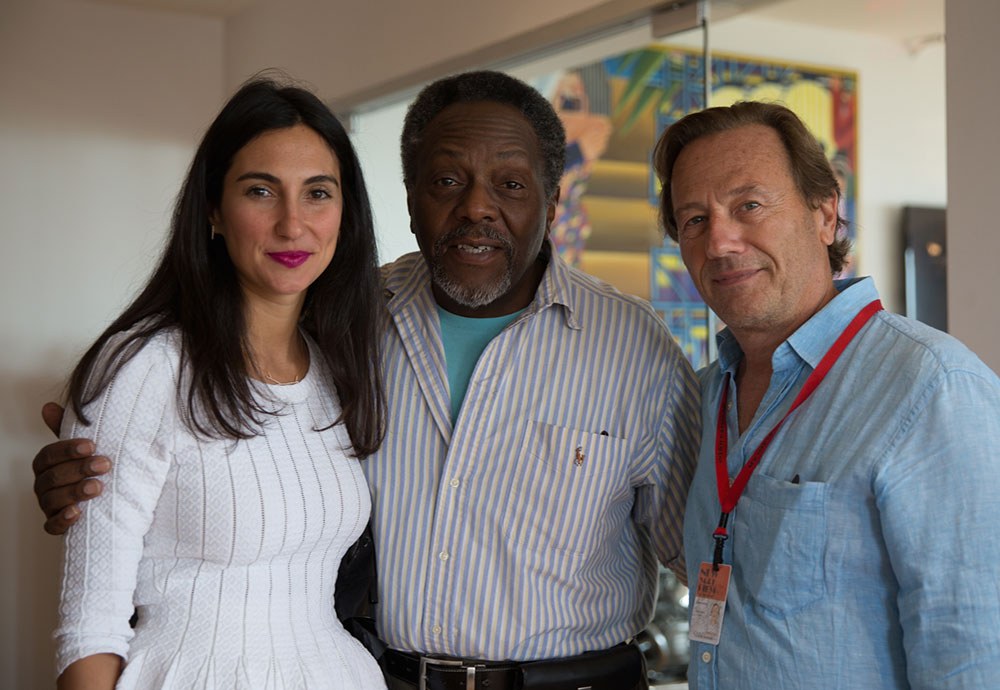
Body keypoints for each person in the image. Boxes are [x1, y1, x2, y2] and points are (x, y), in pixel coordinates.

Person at [34, 71, 701, 690]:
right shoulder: (350, 328)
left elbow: (707, 559)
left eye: (512, 184)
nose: (477, 209)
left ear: (553, 200)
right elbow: (180, 457)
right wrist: (90, 468)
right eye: (446, 181)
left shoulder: (637, 353)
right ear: (407, 197)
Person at [50, 77, 387, 689]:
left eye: (317, 193)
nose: (293, 224)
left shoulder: (336, 368)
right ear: (212, 210)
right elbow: (89, 632)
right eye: (261, 191)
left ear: (345, 213)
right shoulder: (145, 367)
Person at [653, 100, 1000, 689]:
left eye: (749, 206)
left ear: (825, 212)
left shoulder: (932, 387)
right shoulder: (705, 397)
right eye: (693, 221)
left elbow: (972, 655)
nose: (720, 242)